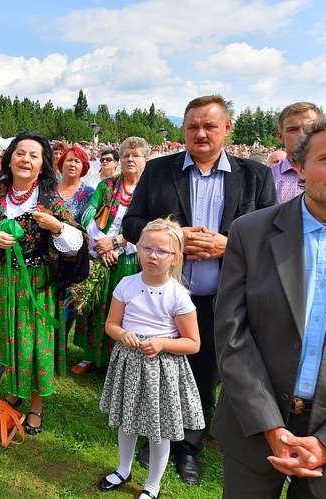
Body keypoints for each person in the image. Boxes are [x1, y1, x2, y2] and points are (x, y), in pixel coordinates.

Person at [122, 95, 277, 484]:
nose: (201, 133)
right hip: (163, 299)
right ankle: (155, 437)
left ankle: (190, 446)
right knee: (157, 370)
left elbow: (273, 238)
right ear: (184, 131)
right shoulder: (158, 171)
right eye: (193, 126)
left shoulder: (255, 176)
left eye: (210, 126)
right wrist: (172, 236)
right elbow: (130, 224)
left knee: (204, 373)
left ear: (227, 129)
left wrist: (230, 244)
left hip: (220, 297)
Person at [212, 111, 326, 498]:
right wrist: (269, 424)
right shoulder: (250, 232)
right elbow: (232, 334)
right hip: (254, 432)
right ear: (298, 165)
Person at [0, 131, 85, 435]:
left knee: (35, 345)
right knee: (8, 338)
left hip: (37, 283)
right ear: (9, 159)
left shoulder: (50, 197)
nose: (26, 159)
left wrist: (58, 226)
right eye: (20, 153)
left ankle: (35, 405)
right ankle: (13, 392)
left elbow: (76, 242)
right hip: (2, 282)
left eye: (34, 155)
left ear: (42, 164)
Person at [98, 218, 203, 499]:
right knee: (126, 420)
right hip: (129, 363)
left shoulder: (178, 295)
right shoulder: (126, 284)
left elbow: (193, 343)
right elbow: (111, 324)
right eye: (146, 248)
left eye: (161, 251)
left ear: (175, 258)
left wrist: (160, 343)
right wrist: (122, 335)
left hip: (162, 369)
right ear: (138, 248)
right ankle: (123, 469)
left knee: (159, 430)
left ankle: (153, 485)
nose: (152, 256)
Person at [71, 139, 148, 375]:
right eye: (125, 156)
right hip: (101, 254)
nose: (130, 160)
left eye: (135, 155)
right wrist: (101, 245)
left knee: (125, 309)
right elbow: (88, 214)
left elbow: (151, 225)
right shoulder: (106, 186)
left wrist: (117, 243)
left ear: (145, 159)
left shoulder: (149, 190)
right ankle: (91, 356)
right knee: (96, 305)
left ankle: (120, 361)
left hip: (132, 259)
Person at [272, 102, 322, 203]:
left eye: (309, 128)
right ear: (281, 137)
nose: (301, 135)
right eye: (292, 130)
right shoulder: (269, 177)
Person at [56, 145, 94, 223]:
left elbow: (89, 225)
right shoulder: (49, 187)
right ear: (62, 164)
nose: (72, 164)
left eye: (77, 161)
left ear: (83, 167)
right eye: (69, 160)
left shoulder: (90, 193)